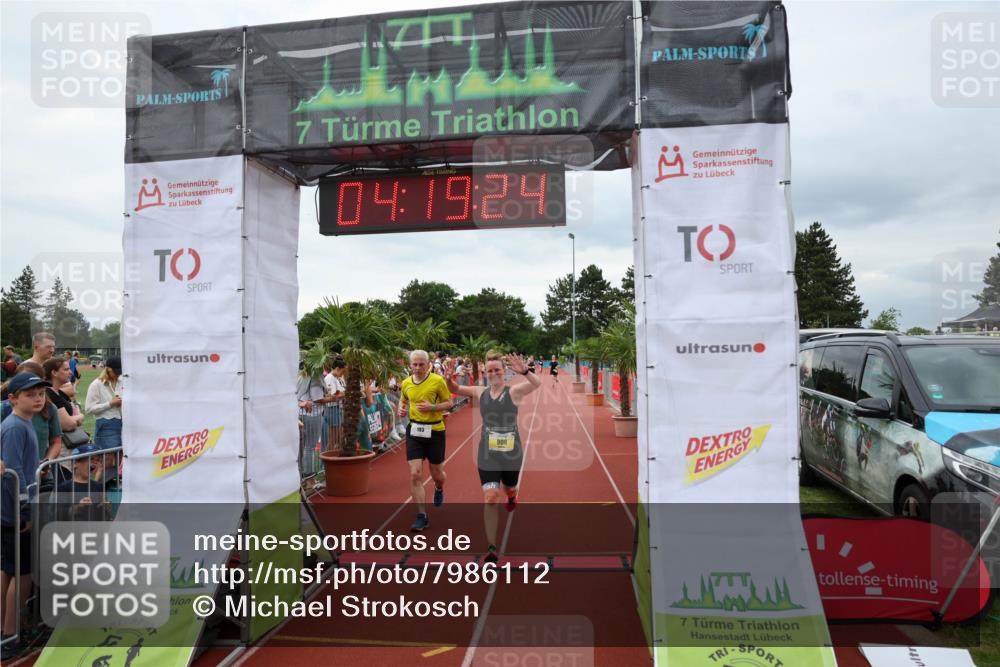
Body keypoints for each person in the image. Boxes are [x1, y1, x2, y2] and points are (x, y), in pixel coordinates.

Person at [446, 353, 540, 563]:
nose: (494, 373)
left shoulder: (513, 391)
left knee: (509, 488)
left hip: (511, 452)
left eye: (497, 369)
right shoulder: (480, 392)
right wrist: (447, 378)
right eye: (490, 370)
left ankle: (512, 496)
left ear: (504, 371)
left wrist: (525, 371)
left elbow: (536, 384)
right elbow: (454, 389)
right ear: (485, 373)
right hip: (487, 452)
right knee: (490, 497)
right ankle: (492, 547)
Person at [1, 373, 49, 647]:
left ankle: (6, 629)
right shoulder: (16, 427)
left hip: (12, 510)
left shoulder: (22, 423)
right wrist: (25, 510)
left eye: (40, 393)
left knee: (9, 570)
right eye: (30, 394)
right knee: (24, 573)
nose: (38, 398)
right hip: (15, 511)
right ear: (13, 398)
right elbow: (13, 473)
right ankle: (12, 633)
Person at [398, 350, 454, 532]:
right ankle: (422, 515)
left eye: (421, 364)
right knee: (415, 474)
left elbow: (449, 403)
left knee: (437, 473)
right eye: (414, 364)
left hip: (435, 431)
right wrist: (401, 409)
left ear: (428, 364)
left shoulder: (437, 381)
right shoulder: (406, 383)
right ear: (410, 365)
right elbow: (403, 400)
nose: (418, 367)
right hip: (414, 431)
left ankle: (439, 488)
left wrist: (432, 407)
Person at [85, 357, 123, 450]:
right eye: (116, 372)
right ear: (108, 369)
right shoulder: (96, 384)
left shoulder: (123, 381)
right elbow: (89, 409)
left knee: (122, 456)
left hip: (125, 423)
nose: (118, 374)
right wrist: (110, 404)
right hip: (106, 424)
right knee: (107, 457)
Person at [43, 357, 85, 436]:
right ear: (54, 373)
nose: (71, 372)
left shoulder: (60, 393)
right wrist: (81, 415)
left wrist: (74, 418)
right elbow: (68, 425)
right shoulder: (49, 394)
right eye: (66, 369)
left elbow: (76, 418)